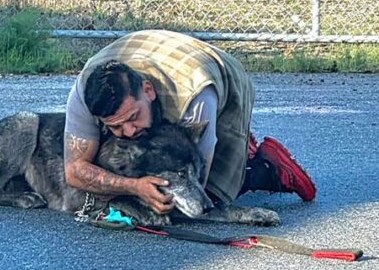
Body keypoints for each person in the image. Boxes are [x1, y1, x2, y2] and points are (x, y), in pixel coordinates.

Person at [64, 29, 316, 215]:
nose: (128, 132)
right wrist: (134, 186)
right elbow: (75, 171)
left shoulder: (196, 97)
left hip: (214, 76)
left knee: (207, 200)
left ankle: (263, 168)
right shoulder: (84, 94)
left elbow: (199, 182)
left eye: (133, 118)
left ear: (148, 91)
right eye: (115, 126)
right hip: (153, 54)